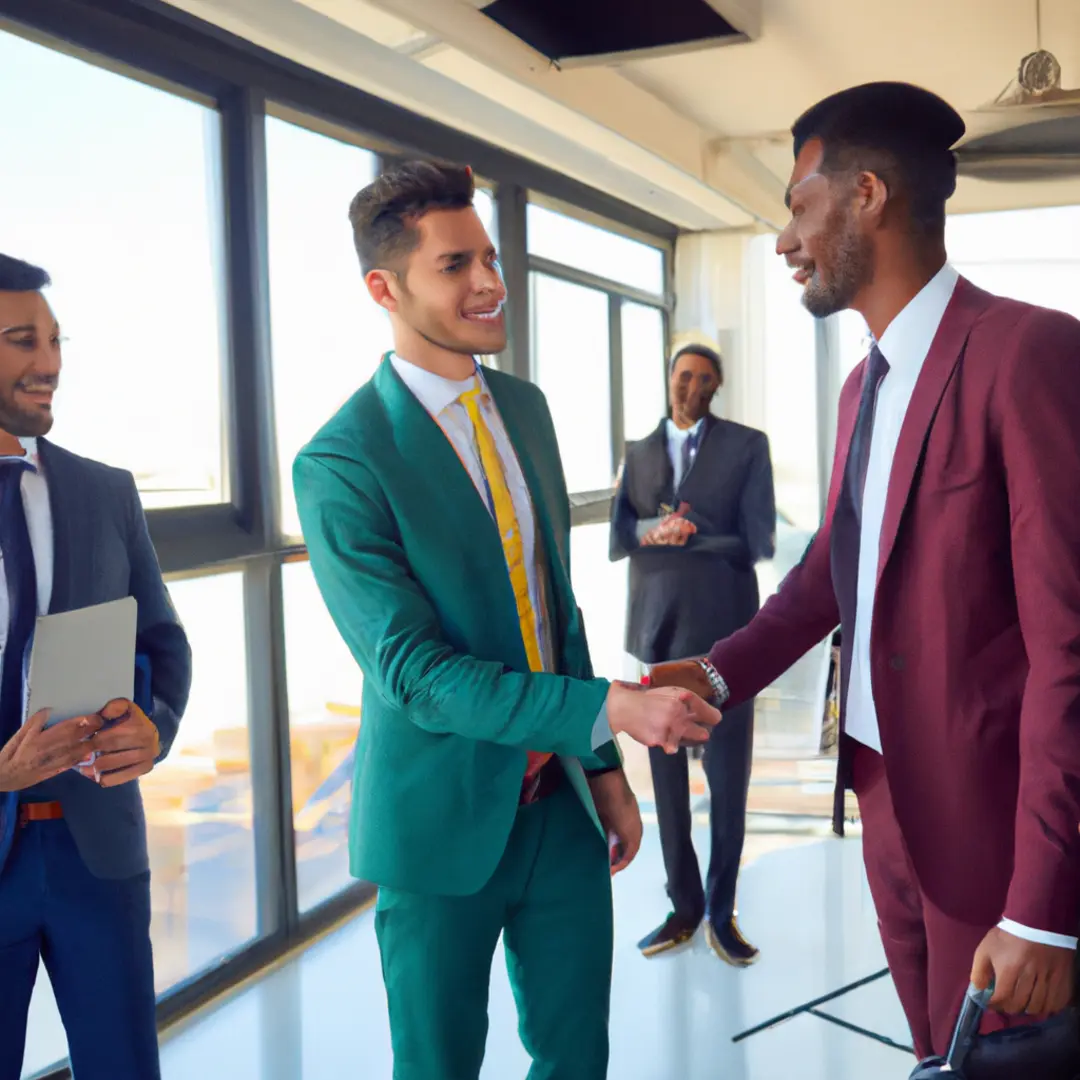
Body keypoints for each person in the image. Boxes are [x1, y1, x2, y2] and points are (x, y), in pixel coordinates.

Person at [648, 82, 1080, 1060]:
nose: (785, 239)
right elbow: (829, 575)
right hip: (884, 790)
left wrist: (1048, 909)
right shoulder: (861, 386)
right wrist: (718, 672)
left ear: (869, 196)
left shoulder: (1030, 353)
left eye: (799, 203)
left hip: (993, 822)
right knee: (938, 1052)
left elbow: (1071, 650)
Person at [294, 161, 721, 1080]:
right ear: (385, 287)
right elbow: (413, 673)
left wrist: (601, 770)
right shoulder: (340, 461)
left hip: (560, 806)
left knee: (577, 1056)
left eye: (489, 256)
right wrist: (607, 711)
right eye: (455, 265)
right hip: (438, 826)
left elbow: (553, 606)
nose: (490, 281)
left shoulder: (524, 410)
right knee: (439, 1066)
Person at [0, 254, 191, 1080]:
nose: (50, 363)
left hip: (99, 852)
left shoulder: (105, 491)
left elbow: (164, 644)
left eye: (53, 339)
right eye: (21, 341)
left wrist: (156, 730)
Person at [610, 343, 775, 964]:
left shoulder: (747, 446)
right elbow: (618, 536)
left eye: (706, 378)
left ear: (718, 386)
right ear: (670, 379)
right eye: (685, 375)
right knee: (667, 783)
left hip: (727, 639)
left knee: (728, 783)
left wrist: (691, 536)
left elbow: (757, 540)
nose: (693, 385)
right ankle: (680, 907)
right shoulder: (639, 452)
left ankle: (719, 912)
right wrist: (650, 532)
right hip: (655, 634)